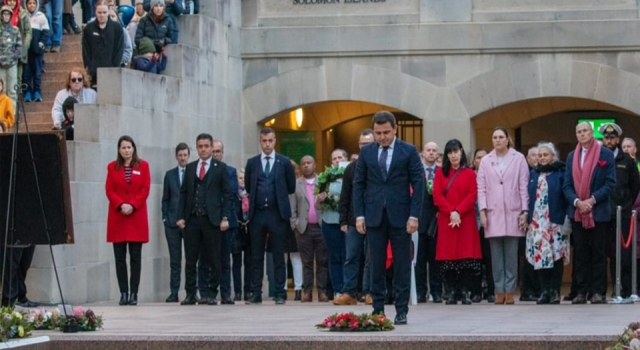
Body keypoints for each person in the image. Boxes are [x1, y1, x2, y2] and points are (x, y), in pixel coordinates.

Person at [353, 111, 425, 325]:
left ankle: (401, 309)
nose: (382, 137)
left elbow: (419, 183)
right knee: (375, 264)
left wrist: (414, 215)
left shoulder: (408, 151)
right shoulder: (367, 153)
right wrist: (359, 215)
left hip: (401, 216)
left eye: (386, 132)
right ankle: (377, 308)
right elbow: (359, 184)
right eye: (378, 133)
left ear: (395, 129)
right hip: (374, 216)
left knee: (402, 264)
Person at [176, 133, 232, 305]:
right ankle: (191, 293)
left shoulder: (220, 167)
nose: (203, 149)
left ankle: (210, 293)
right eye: (200, 146)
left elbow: (227, 194)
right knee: (191, 258)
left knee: (214, 258)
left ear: (211, 147)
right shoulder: (191, 167)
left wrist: (225, 217)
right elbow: (184, 193)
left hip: (212, 220)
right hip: (193, 219)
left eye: (206, 146)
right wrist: (180, 216)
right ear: (196, 148)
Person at [563, 122, 616, 304]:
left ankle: (598, 292)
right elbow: (567, 185)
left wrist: (591, 201)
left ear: (592, 132)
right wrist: (578, 202)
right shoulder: (572, 156)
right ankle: (581, 291)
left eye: (585, 130)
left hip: (598, 212)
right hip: (578, 212)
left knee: (599, 254)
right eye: (579, 132)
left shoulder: (605, 155)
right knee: (581, 254)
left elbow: (610, 183)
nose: (582, 134)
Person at [477, 126, 529, 305]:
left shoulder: (519, 158)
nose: (497, 140)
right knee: (496, 255)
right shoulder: (485, 161)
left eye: (501, 137)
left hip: (513, 211)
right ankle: (499, 289)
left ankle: (510, 290)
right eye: (494, 137)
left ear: (507, 139)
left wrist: (525, 211)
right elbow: (481, 189)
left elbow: (523, 186)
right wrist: (482, 212)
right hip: (493, 212)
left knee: (512, 253)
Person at [244, 127, 296, 305]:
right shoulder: (252, 163)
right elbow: (250, 187)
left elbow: (291, 187)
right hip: (258, 214)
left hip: (277, 214)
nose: (267, 144)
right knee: (256, 255)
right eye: (264, 141)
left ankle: (280, 292)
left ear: (275, 141)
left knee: (278, 255)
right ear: (260, 141)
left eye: (270, 141)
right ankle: (256, 292)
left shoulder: (284, 162)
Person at [432, 139, 482, 305]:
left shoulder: (469, 173)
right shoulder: (440, 173)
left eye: (456, 151)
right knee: (448, 258)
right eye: (450, 152)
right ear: (447, 155)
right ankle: (452, 291)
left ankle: (465, 291)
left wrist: (458, 211)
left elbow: (472, 196)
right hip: (448, 221)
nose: (454, 155)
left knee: (466, 257)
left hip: (465, 220)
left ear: (462, 152)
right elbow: (437, 196)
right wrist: (451, 212)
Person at [105, 135, 150, 306]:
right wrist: (120, 205)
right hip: (118, 217)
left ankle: (134, 293)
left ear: (133, 148)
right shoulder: (112, 167)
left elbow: (145, 189)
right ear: (119, 149)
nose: (126, 150)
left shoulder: (143, 166)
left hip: (136, 216)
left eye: (129, 147)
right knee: (119, 257)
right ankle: (123, 292)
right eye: (123, 148)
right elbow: (109, 190)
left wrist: (132, 205)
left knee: (136, 257)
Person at [600, 123, 640, 298]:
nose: (609, 141)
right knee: (603, 252)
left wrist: (626, 203)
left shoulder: (627, 161)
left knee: (623, 254)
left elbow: (635, 186)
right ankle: (601, 290)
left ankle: (623, 288)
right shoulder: (598, 158)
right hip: (602, 212)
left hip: (621, 212)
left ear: (617, 139)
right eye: (606, 138)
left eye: (612, 138)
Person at [525, 142, 569, 304]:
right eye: (540, 155)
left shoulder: (560, 172)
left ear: (553, 156)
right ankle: (544, 291)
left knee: (556, 257)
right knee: (540, 257)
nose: (542, 158)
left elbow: (566, 195)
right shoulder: (534, 174)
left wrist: (567, 218)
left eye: (545, 155)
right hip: (537, 223)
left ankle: (554, 291)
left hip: (555, 222)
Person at [335, 129, 374, 306]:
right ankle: (349, 292)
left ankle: (369, 291)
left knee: (372, 257)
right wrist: (342, 220)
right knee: (351, 257)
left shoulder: (378, 165)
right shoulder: (351, 168)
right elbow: (345, 196)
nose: (364, 147)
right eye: (362, 144)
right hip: (352, 220)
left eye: (368, 144)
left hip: (374, 218)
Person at [197, 139, 238, 305]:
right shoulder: (202, 171)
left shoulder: (230, 171)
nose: (215, 154)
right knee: (205, 258)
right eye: (212, 151)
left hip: (225, 221)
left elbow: (231, 193)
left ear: (222, 153)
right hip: (208, 222)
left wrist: (222, 215)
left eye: (217, 151)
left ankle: (226, 293)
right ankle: (205, 292)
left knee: (224, 259)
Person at [290, 155, 328, 302]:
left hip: (321, 227)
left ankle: (322, 291)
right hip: (303, 228)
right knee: (306, 262)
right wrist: (294, 224)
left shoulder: (323, 182)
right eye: (303, 163)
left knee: (322, 261)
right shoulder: (296, 184)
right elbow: (292, 206)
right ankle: (307, 292)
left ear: (315, 165)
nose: (306, 165)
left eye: (309, 163)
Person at [317, 149, 347, 303]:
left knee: (348, 256)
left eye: (340, 157)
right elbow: (317, 204)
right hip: (330, 221)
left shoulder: (350, 175)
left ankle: (349, 289)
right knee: (334, 256)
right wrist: (321, 199)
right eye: (334, 158)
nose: (337, 160)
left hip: (347, 222)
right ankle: (337, 289)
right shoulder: (325, 178)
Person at [161, 142, 189, 303]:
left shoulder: (192, 172)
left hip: (188, 223)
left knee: (191, 259)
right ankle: (174, 291)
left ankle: (192, 291)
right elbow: (165, 198)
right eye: (180, 155)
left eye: (185, 155)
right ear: (176, 156)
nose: (182, 158)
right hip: (171, 224)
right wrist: (165, 218)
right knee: (175, 259)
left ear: (188, 155)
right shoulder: (170, 175)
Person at [415, 141, 443, 304]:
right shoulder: (417, 171)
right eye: (428, 150)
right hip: (419, 219)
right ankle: (420, 292)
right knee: (419, 259)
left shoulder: (441, 172)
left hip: (437, 219)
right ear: (423, 153)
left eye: (434, 150)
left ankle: (437, 291)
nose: (431, 153)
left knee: (436, 258)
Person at [82, 0, 124, 89]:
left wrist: (114, 67)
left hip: (111, 71)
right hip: (93, 72)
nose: (102, 15)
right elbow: (85, 51)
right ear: (95, 12)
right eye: (99, 12)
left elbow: (119, 49)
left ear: (108, 12)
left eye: (104, 12)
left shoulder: (117, 28)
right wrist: (89, 67)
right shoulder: (88, 29)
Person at [470, 148, 494, 303]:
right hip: (472, 222)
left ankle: (491, 291)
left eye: (484, 157)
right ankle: (476, 291)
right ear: (474, 161)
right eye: (478, 157)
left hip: (490, 222)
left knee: (490, 258)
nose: (481, 160)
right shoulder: (469, 175)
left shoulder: (493, 176)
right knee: (474, 259)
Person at [520, 145, 542, 302]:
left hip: (542, 222)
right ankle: (527, 290)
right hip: (527, 221)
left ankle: (540, 289)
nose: (537, 158)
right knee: (527, 257)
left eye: (539, 155)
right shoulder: (526, 175)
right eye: (534, 155)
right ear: (528, 159)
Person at [23, 0, 48, 103]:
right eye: (29, 3)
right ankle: (27, 92)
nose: (32, 5)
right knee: (26, 73)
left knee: (37, 72)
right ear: (26, 4)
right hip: (26, 51)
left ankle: (37, 91)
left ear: (37, 4)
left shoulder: (41, 16)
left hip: (37, 51)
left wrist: (40, 44)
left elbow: (46, 32)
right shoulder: (23, 16)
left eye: (34, 3)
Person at [5, 0, 31, 95]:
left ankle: (17, 105)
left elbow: (28, 31)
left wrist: (25, 46)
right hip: (5, 52)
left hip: (19, 49)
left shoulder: (23, 13)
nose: (11, 3)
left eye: (13, 1)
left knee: (18, 78)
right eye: (9, 0)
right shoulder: (2, 13)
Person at [234, 169, 251, 301]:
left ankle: (248, 290)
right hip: (237, 229)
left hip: (249, 229)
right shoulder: (234, 195)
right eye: (240, 178)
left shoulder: (251, 195)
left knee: (249, 262)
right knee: (236, 262)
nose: (242, 181)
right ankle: (237, 291)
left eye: (244, 178)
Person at [0, 5, 22, 110]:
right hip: (0, 65)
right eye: (4, 14)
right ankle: (2, 115)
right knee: (2, 90)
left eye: (8, 14)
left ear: (11, 16)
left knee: (12, 90)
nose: (6, 16)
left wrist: (14, 57)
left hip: (12, 64)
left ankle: (12, 114)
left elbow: (19, 46)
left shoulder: (15, 30)